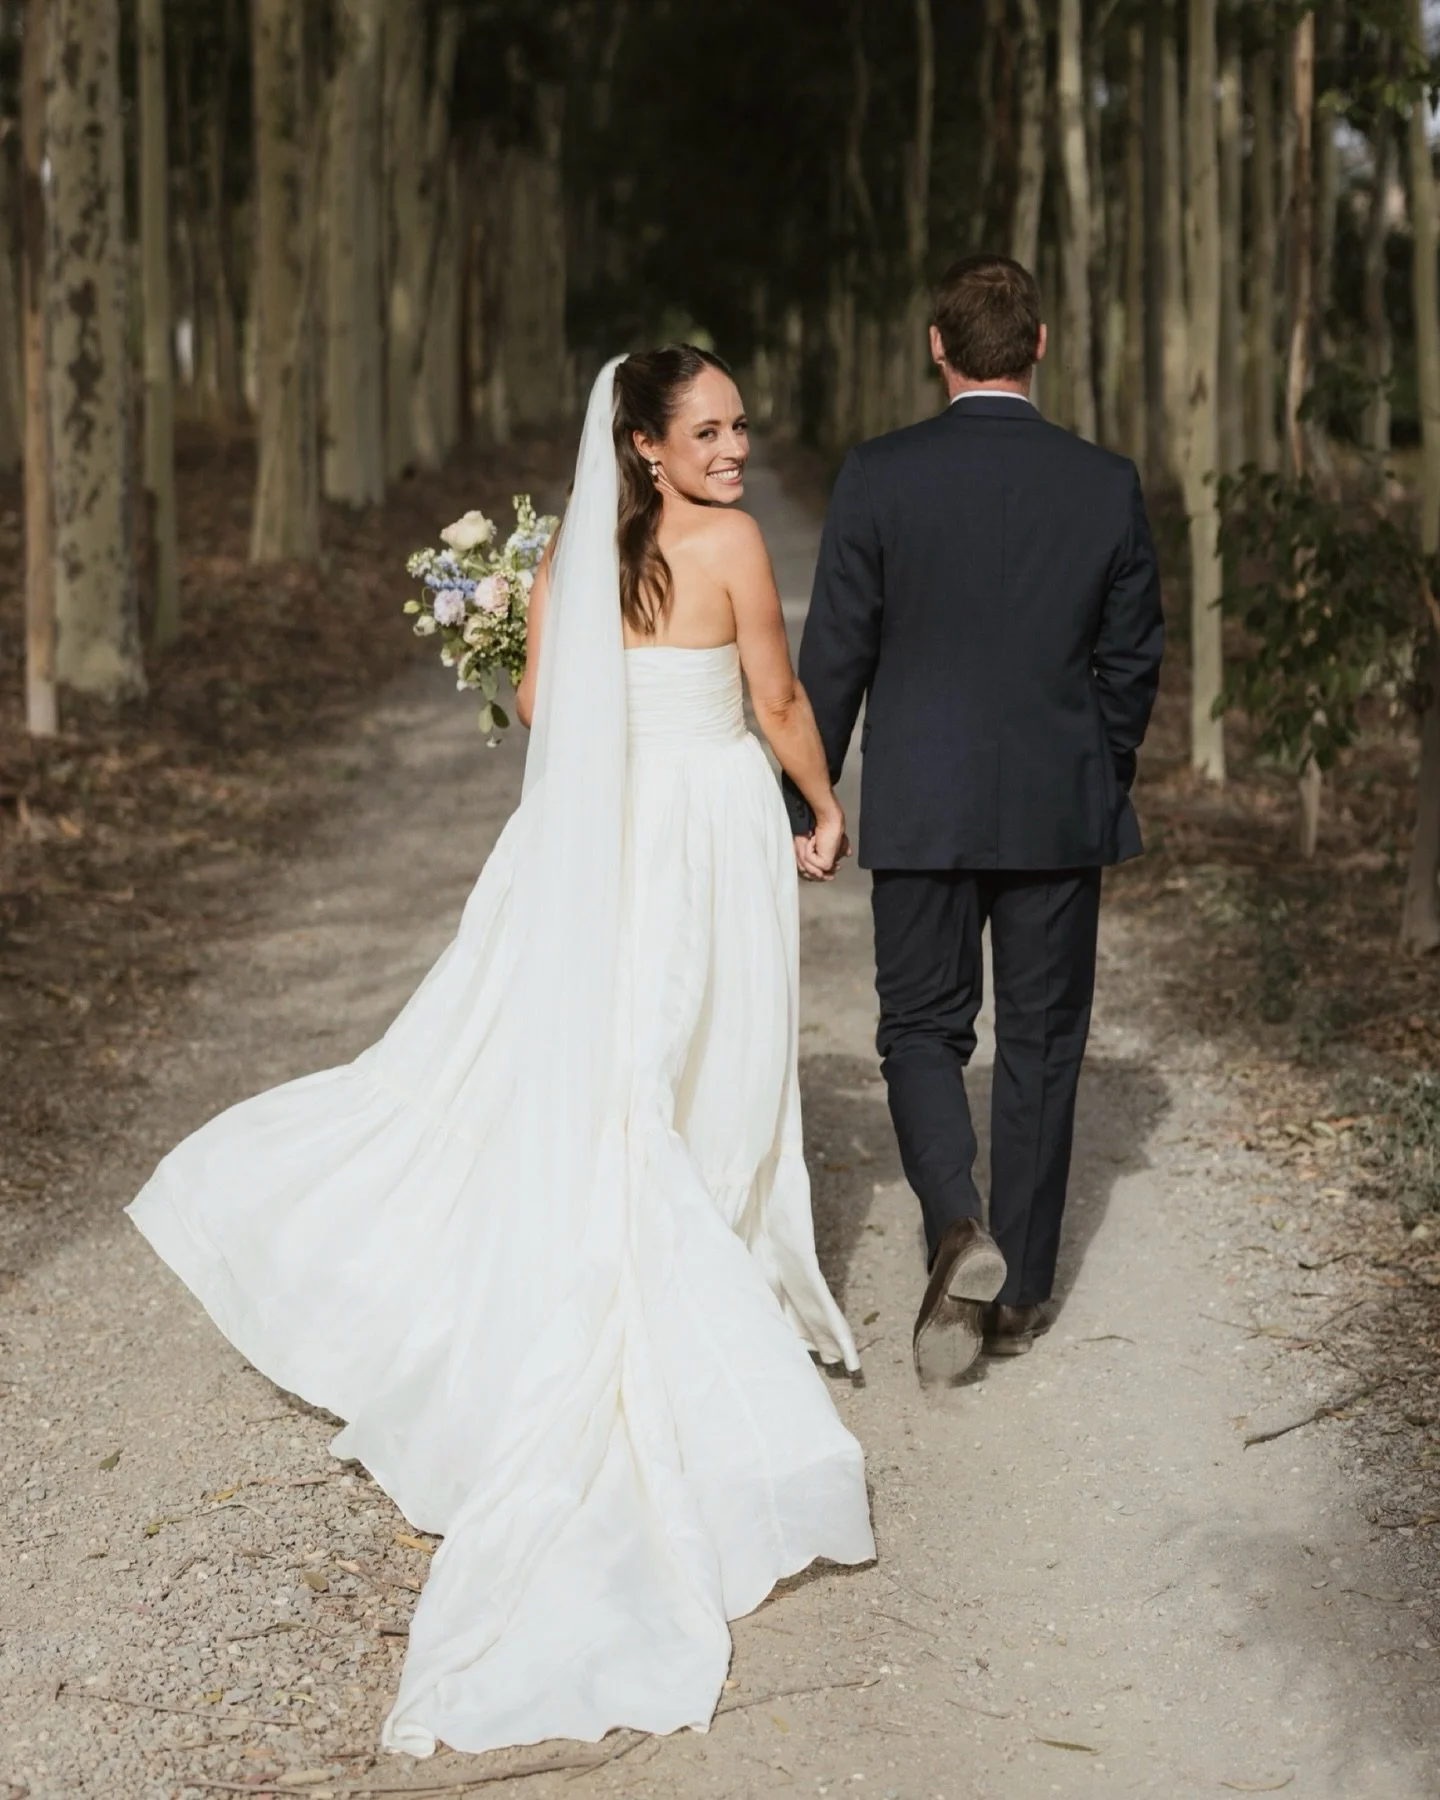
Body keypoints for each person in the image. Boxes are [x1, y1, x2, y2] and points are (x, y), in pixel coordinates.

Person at [127, 348, 874, 1757]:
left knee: (586, 1055)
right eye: (708, 430)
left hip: (594, 837)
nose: (735, 445)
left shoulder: (565, 560)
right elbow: (776, 703)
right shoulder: (729, 545)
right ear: (645, 448)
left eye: (741, 427)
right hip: (707, 826)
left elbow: (540, 709)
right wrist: (822, 807)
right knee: (696, 1048)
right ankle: (697, 1261)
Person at [787, 253, 1164, 1385]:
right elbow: (1133, 659)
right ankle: (1023, 1296)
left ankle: (956, 1223)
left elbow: (835, 653)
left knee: (920, 1031)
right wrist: (1094, 768)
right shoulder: (1105, 482)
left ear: (938, 350)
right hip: (1058, 806)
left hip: (921, 804)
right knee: (1042, 1045)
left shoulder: (879, 475)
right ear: (1041, 346)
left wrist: (811, 798)